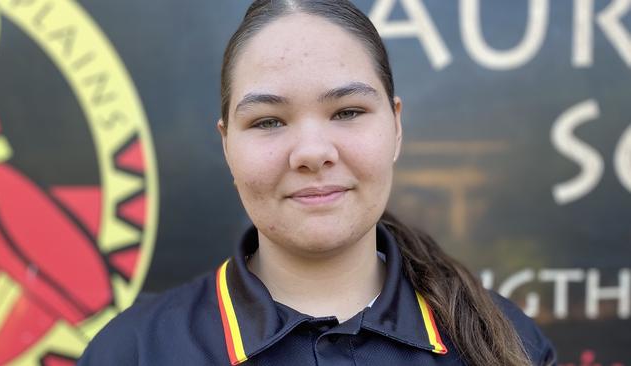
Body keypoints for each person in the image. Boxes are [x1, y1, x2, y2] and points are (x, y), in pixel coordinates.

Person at [78, 1, 556, 365]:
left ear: (395, 126)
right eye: (268, 121)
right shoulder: (135, 350)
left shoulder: (510, 343)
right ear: (227, 145)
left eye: (347, 112)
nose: (311, 152)